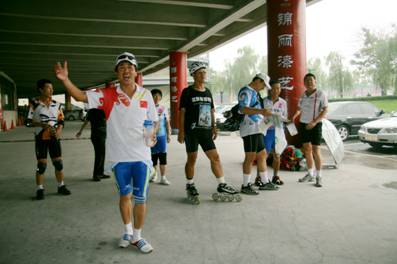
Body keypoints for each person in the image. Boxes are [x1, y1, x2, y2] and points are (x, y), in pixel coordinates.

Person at [54, 52, 158, 253]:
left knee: (141, 198)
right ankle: (127, 231)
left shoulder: (145, 95)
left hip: (142, 157)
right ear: (117, 73)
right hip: (119, 158)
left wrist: (153, 134)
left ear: (136, 72)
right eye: (121, 68)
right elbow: (81, 96)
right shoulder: (108, 94)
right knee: (124, 196)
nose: (126, 71)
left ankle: (137, 236)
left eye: (130, 67)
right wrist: (66, 80)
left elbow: (153, 121)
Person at [177, 61, 240, 203]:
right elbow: (182, 112)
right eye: (200, 72)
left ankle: (222, 184)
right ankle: (190, 184)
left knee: (215, 157)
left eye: (204, 72)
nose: (203, 75)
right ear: (193, 75)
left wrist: (214, 126)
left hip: (205, 132)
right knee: (192, 159)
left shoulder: (207, 92)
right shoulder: (187, 92)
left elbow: (212, 110)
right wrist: (181, 131)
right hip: (191, 131)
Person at [26, 79, 71, 200]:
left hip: (54, 137)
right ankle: (39, 189)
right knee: (42, 165)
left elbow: (61, 120)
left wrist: (59, 130)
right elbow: (28, 123)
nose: (51, 90)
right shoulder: (34, 104)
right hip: (41, 137)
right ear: (41, 89)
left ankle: (61, 186)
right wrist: (42, 125)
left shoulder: (57, 104)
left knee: (58, 164)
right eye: (48, 88)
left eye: (52, 88)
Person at [237, 73, 277, 195]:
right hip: (249, 128)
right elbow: (243, 109)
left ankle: (265, 182)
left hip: (257, 128)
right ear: (258, 81)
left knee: (262, 154)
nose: (263, 88)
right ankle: (245, 185)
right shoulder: (246, 91)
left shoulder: (254, 92)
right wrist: (262, 111)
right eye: (263, 85)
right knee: (250, 157)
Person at [292, 73, 328, 187]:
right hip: (303, 124)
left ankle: (319, 176)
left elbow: (325, 110)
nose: (309, 82)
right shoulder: (303, 95)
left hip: (315, 125)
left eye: (311, 80)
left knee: (316, 150)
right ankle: (310, 174)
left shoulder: (320, 94)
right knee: (306, 150)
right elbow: (299, 109)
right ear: (304, 83)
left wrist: (314, 122)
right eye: (306, 80)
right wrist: (293, 117)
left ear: (315, 81)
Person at [260, 80, 289, 185]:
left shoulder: (283, 102)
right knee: (264, 155)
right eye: (274, 88)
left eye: (279, 88)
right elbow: (259, 116)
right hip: (266, 131)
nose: (277, 90)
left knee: (277, 155)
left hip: (278, 131)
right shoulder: (263, 101)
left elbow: (285, 117)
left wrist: (283, 119)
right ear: (270, 89)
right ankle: (260, 178)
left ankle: (275, 176)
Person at [76, 108, 110, 182]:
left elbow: (86, 121)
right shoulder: (95, 111)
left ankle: (101, 173)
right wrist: (80, 131)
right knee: (99, 155)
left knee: (102, 154)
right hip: (97, 135)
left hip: (102, 134)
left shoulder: (97, 110)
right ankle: (96, 175)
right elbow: (86, 121)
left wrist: (80, 131)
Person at [149, 89, 171, 185]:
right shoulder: (148, 108)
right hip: (151, 136)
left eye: (158, 96)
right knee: (153, 158)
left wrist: (168, 135)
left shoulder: (163, 108)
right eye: (154, 96)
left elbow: (167, 123)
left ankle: (163, 177)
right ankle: (154, 175)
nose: (156, 98)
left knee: (162, 157)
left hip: (162, 136)